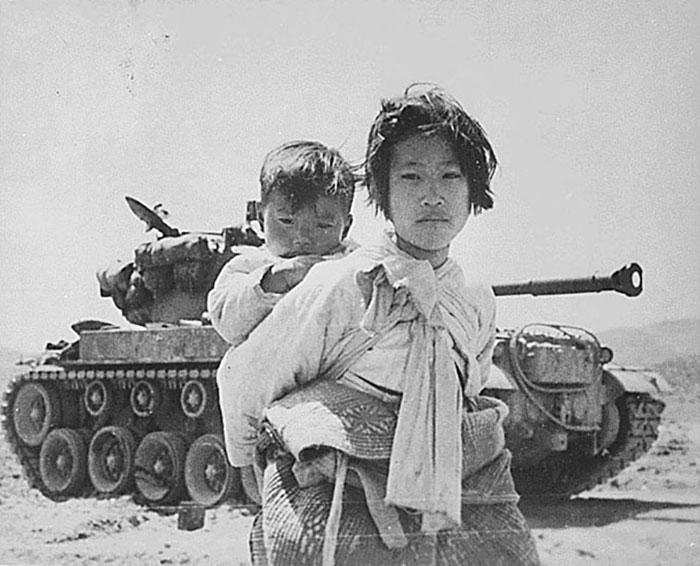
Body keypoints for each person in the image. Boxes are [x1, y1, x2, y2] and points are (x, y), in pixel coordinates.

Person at [218, 85, 540, 566]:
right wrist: (245, 461)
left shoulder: (475, 300)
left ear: (473, 193)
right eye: (410, 176)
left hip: (450, 487)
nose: (432, 195)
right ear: (383, 194)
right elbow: (251, 374)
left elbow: (470, 384)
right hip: (342, 490)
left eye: (450, 176)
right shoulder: (343, 282)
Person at [207, 139, 357, 348]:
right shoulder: (249, 267)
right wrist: (273, 280)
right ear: (260, 216)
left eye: (323, 225)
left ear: (346, 227)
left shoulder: (354, 265)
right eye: (287, 221)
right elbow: (226, 321)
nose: (302, 238)